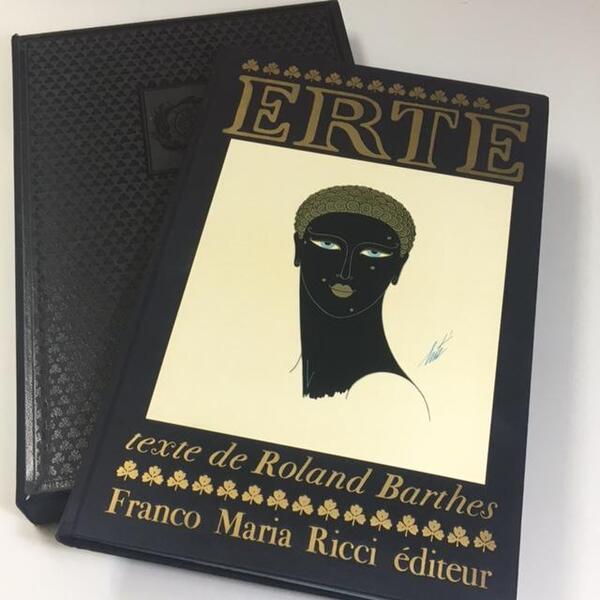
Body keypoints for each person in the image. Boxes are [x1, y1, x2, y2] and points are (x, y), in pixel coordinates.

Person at [293, 185, 426, 414]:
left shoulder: (387, 394)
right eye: (328, 244)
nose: (345, 272)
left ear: (398, 266)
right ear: (298, 247)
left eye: (373, 253)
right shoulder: (283, 367)